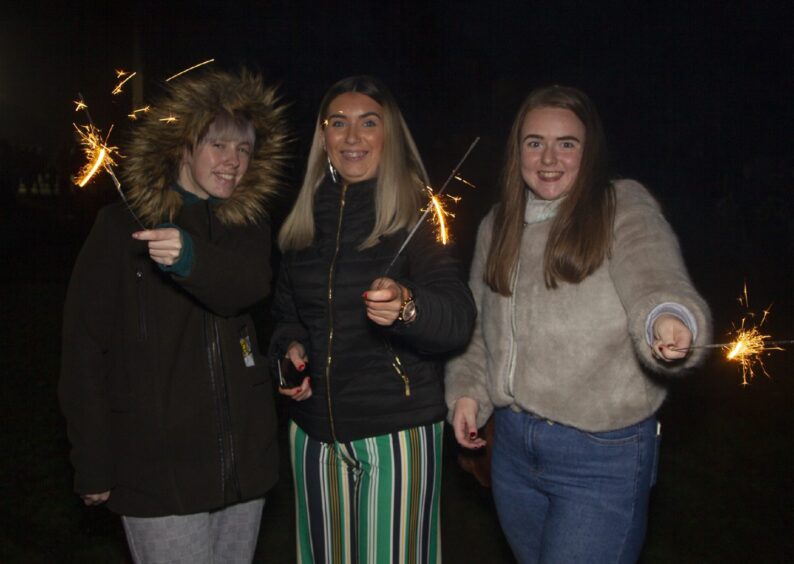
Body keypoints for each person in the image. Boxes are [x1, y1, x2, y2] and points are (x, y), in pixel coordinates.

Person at [445, 85, 712, 563]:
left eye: (567, 143)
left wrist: (668, 318)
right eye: (534, 142)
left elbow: (655, 275)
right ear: (517, 150)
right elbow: (480, 327)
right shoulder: (497, 224)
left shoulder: (620, 206)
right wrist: (468, 391)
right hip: (512, 451)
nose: (549, 158)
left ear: (589, 153)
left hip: (601, 457)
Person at [59, 69, 288, 563]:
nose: (234, 163)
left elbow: (246, 286)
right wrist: (93, 461)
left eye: (244, 150)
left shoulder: (246, 224)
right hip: (158, 471)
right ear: (184, 146)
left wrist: (188, 257)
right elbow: (84, 349)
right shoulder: (120, 226)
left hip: (242, 466)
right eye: (219, 146)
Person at [270, 75, 476, 563]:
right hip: (314, 437)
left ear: (391, 137)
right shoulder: (301, 221)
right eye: (338, 123)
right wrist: (289, 353)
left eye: (368, 123)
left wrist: (407, 304)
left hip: (396, 435)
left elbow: (458, 318)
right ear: (323, 138)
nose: (352, 137)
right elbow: (285, 318)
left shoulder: (417, 212)